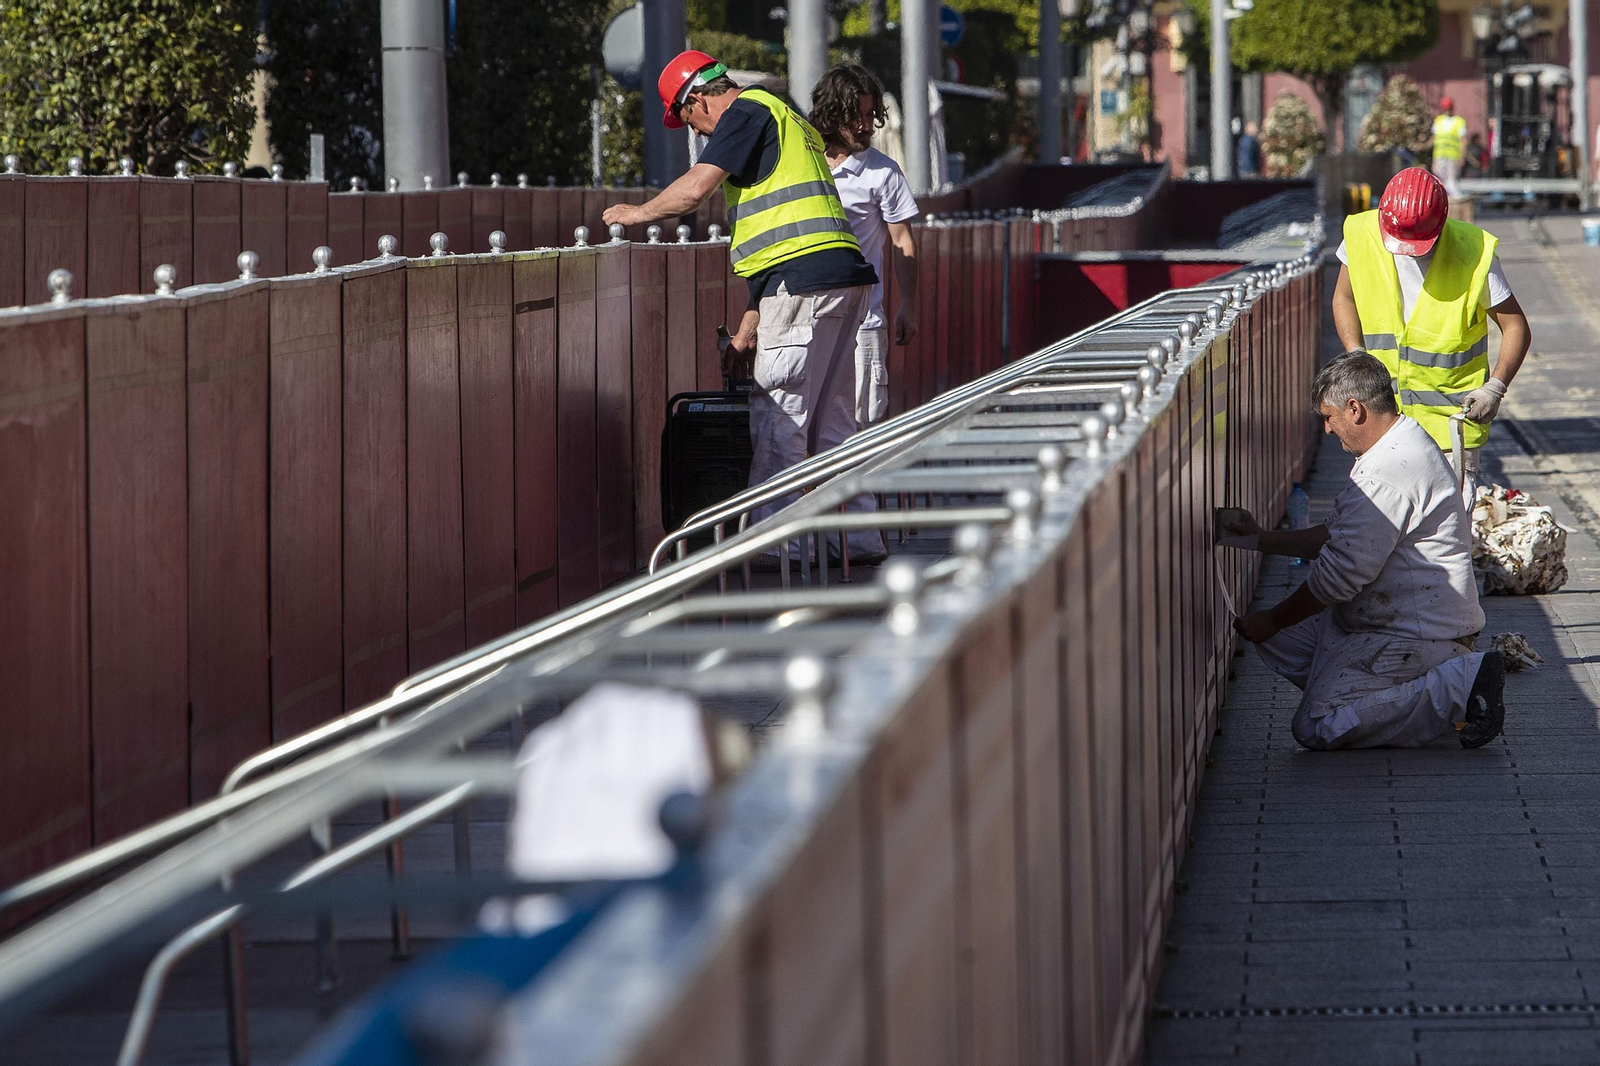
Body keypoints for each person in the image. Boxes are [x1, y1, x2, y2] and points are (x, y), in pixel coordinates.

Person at [602, 51, 878, 566]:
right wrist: (749, 329)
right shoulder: (786, 118)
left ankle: (782, 551)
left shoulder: (745, 111)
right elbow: (784, 239)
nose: (697, 132)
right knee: (834, 424)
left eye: (688, 120)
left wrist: (637, 213)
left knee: (780, 420)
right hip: (839, 279)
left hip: (803, 284)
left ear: (698, 99)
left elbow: (694, 190)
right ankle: (856, 541)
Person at [1225, 352, 1506, 750]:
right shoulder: (1396, 443)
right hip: (1385, 620)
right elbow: (1337, 535)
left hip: (1421, 633)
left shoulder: (1388, 470)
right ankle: (1388, 695)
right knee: (1277, 639)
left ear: (1355, 409)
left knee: (1316, 725)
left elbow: (1339, 577)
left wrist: (1273, 618)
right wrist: (1259, 539)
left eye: (1329, 417)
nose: (1326, 429)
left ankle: (1458, 685)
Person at [1332, 167, 1532, 506]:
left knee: (1444, 531)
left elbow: (1516, 326)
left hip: (1449, 430)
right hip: (1381, 422)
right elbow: (1343, 297)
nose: (1409, 251)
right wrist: (1355, 354)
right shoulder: (1360, 235)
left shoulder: (1473, 251)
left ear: (1440, 223)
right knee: (1377, 525)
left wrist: (1495, 388)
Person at [1430, 96, 1467, 198]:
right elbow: (1434, 138)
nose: (1447, 111)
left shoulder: (1459, 121)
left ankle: (1453, 197)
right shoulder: (1438, 120)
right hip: (1439, 154)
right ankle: (1446, 195)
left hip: (1453, 155)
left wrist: (1462, 156)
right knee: (1440, 176)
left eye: (1449, 108)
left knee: (1452, 178)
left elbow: (1463, 140)